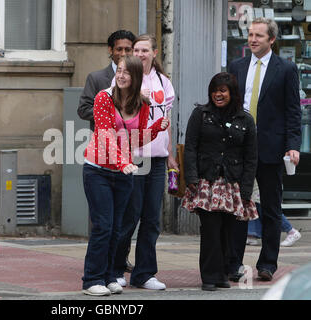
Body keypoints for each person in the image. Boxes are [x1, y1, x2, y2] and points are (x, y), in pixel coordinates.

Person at [81, 55, 169, 296]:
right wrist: (122, 162)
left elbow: (136, 139)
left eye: (126, 73)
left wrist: (155, 129)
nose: (120, 75)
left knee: (118, 228)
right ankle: (91, 279)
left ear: (136, 77)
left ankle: (110, 276)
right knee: (103, 226)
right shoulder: (103, 98)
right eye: (118, 70)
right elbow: (105, 134)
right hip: (98, 170)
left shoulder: (142, 104)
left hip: (124, 172)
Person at [228, 18, 302, 282]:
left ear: (272, 39)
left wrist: (293, 145)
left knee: (270, 210)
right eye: (250, 34)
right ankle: (233, 263)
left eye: (259, 35)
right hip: (239, 149)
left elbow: (293, 111)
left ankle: (267, 263)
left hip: (271, 149)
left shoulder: (286, 69)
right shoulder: (236, 66)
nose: (252, 39)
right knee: (238, 207)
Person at [181, 72, 258, 291]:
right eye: (215, 90)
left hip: (233, 184)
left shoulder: (245, 119)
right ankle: (209, 276)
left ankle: (223, 273)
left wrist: (246, 190)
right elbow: (190, 147)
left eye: (223, 91)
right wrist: (192, 178)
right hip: (207, 182)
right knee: (210, 230)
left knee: (229, 231)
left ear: (232, 93)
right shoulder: (201, 114)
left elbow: (251, 157)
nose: (218, 94)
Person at [113, 34, 176, 291]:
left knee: (152, 218)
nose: (140, 54)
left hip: (158, 157)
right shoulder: (124, 79)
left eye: (144, 50)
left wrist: (170, 154)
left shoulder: (165, 82)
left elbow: (167, 119)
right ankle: (116, 268)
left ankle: (145, 273)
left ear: (154, 52)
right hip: (133, 156)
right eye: (136, 50)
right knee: (130, 215)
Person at [78, 29, 136, 132]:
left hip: (135, 141)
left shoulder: (140, 78)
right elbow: (84, 110)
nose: (123, 54)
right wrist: (113, 113)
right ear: (110, 50)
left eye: (127, 49)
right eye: (119, 49)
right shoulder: (96, 78)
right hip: (105, 141)